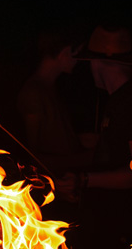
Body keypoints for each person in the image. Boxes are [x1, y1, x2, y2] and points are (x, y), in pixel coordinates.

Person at [56, 23, 132, 249]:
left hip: (130, 233)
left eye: (91, 62)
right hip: (111, 226)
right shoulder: (117, 101)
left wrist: (85, 180)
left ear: (100, 62)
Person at [16, 28, 90, 177]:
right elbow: (32, 156)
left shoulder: (51, 87)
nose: (79, 61)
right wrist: (85, 158)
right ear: (65, 52)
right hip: (53, 186)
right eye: (78, 55)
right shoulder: (33, 92)